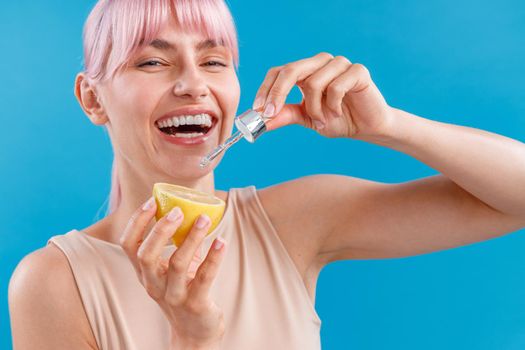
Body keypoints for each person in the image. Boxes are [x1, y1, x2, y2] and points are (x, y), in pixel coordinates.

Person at [8, 0, 525, 349]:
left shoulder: (293, 221)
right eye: (151, 63)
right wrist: (194, 338)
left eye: (214, 61)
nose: (193, 84)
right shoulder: (53, 282)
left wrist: (390, 126)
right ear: (92, 98)